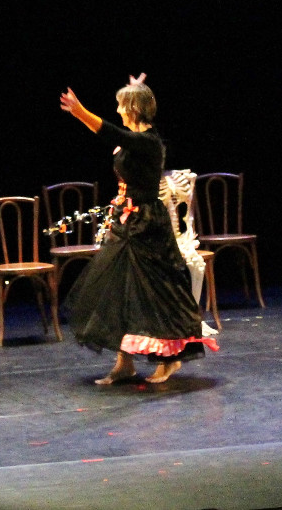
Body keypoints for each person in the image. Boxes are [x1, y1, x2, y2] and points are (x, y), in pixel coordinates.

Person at [59, 76, 219, 385]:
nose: (118, 109)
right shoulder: (134, 138)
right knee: (120, 291)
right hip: (127, 222)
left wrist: (80, 112)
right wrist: (135, 90)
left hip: (147, 224)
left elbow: (109, 132)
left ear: (133, 108)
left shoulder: (149, 141)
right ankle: (125, 363)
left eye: (122, 105)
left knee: (156, 292)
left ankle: (170, 360)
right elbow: (120, 138)